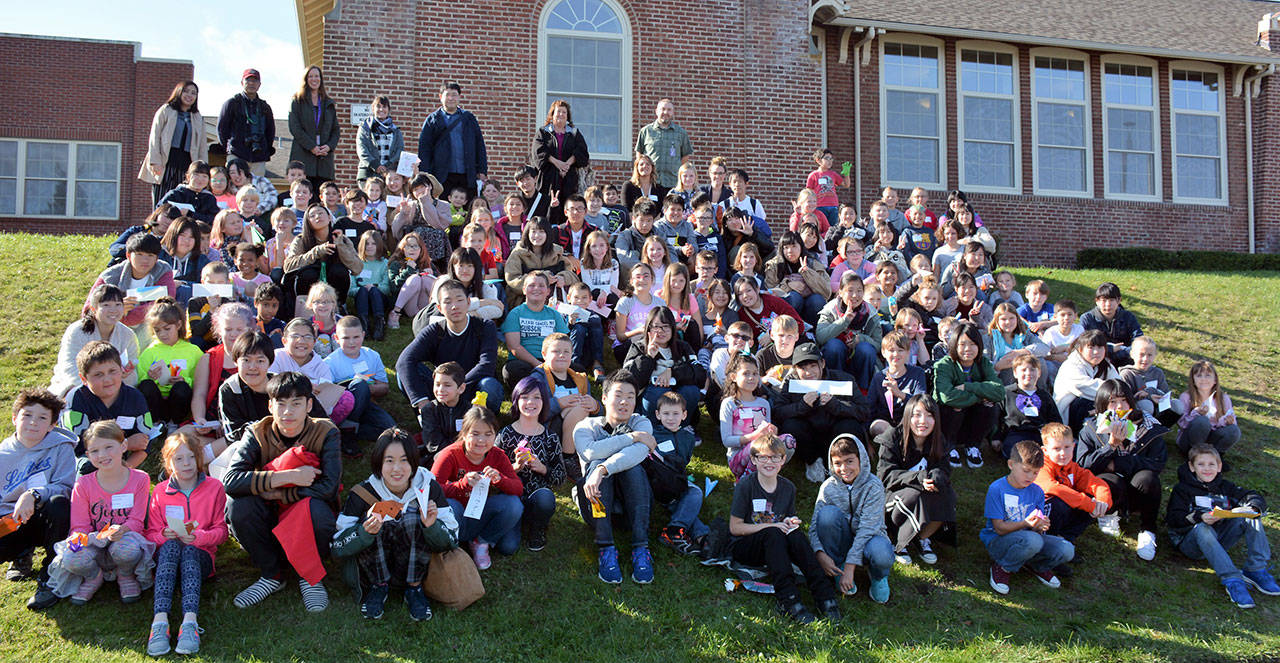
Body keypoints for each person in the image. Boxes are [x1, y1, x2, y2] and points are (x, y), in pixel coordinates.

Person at [223, 372, 342, 612]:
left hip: (305, 512)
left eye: (296, 403)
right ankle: (271, 575)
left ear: (309, 405)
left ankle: (310, 577)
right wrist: (287, 477)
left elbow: (328, 487)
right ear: (270, 405)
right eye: (281, 404)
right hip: (267, 518)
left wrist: (281, 495)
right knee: (238, 507)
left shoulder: (326, 432)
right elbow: (231, 481)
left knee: (317, 509)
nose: (288, 412)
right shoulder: (257, 432)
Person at [332, 428, 458, 621]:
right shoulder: (362, 493)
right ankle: (378, 587)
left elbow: (452, 540)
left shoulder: (428, 487)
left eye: (405, 460)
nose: (397, 469)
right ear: (378, 463)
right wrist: (363, 532)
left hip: (416, 565)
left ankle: (414, 588)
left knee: (412, 518)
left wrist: (431, 526)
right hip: (373, 567)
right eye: (389, 460)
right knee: (373, 520)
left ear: (414, 462)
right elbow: (337, 547)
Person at [729, 434, 838, 623]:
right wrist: (771, 526)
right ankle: (788, 598)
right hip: (747, 546)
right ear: (754, 460)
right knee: (773, 533)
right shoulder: (746, 486)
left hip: (776, 546)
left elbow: (785, 518)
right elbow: (734, 527)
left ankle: (824, 593)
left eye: (774, 457)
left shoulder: (788, 488)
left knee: (795, 535)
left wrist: (790, 522)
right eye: (763, 457)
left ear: (783, 460)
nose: (769, 462)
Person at [46, 421, 155, 606]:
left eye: (108, 447)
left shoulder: (140, 479)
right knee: (71, 556)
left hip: (125, 539)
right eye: (95, 451)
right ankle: (93, 576)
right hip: (93, 541)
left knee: (126, 549)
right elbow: (79, 526)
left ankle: (125, 574)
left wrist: (123, 529)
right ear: (87, 455)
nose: (102, 455)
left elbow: (137, 520)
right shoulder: (83, 484)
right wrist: (85, 539)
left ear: (123, 446)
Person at [1166, 443, 1279, 609]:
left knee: (1251, 515)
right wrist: (1200, 517)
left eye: (1211, 464)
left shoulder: (1225, 486)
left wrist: (1253, 507)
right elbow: (1174, 519)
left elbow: (1252, 495)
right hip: (1191, 543)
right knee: (1203, 528)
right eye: (1201, 464)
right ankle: (1232, 579)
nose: (1207, 469)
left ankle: (1256, 569)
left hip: (1219, 539)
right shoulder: (1182, 489)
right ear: (1191, 467)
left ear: (1219, 466)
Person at [143, 433, 227, 656]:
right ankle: (159, 622)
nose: (186, 464)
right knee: (171, 547)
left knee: (189, 549)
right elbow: (150, 535)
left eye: (191, 457)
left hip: (200, 559)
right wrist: (164, 534)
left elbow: (221, 531)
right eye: (179, 459)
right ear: (168, 461)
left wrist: (200, 537)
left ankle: (190, 622)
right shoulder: (160, 491)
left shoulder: (215, 487)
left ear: (199, 458)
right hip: (167, 564)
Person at [574, 370, 656, 585]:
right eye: (618, 395)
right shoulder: (585, 426)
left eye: (630, 396)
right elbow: (589, 452)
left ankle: (641, 548)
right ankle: (606, 548)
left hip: (634, 504)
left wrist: (603, 469)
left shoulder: (642, 423)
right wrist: (631, 437)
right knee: (595, 463)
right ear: (604, 398)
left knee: (632, 466)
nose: (624, 402)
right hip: (596, 504)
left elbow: (637, 453)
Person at [1075, 379, 1169, 561]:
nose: (1119, 406)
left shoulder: (1148, 426)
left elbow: (1157, 462)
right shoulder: (1091, 429)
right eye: (1112, 402)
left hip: (1137, 486)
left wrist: (1119, 463)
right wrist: (1110, 446)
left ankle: (1148, 530)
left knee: (1148, 479)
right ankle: (1109, 515)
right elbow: (1083, 464)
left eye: (1124, 400)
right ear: (1103, 404)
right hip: (1109, 488)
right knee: (1109, 479)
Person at [0, 388, 76, 611]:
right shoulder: (2, 453)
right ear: (15, 418)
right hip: (10, 521)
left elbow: (65, 487)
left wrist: (32, 495)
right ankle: (21, 555)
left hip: (45, 517)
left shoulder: (61, 448)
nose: (33, 422)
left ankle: (50, 575)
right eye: (27, 415)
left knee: (59, 503)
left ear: (52, 425)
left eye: (42, 418)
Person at [431, 406, 523, 570]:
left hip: (481, 514)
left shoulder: (497, 455)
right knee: (450, 505)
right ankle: (453, 544)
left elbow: (518, 489)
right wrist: (461, 485)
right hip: (456, 515)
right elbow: (431, 490)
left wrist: (500, 480)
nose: (482, 440)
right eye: (475, 434)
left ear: (495, 435)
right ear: (464, 434)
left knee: (514, 507)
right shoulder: (450, 454)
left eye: (488, 434)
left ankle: (480, 541)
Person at [396, 278, 503, 412]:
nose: (454, 306)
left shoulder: (485, 327)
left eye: (459, 300)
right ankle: (431, 414)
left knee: (490, 385)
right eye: (448, 302)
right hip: (444, 391)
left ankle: (484, 425)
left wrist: (456, 388)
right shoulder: (435, 330)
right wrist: (422, 401)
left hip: (473, 388)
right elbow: (403, 361)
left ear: (468, 302)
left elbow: (487, 364)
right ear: (439, 308)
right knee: (404, 372)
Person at [982, 440, 1073, 596]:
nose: (1030, 476)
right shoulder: (997, 488)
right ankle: (1004, 566)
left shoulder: (1037, 491)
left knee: (1067, 549)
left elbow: (1035, 530)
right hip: (999, 542)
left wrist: (1040, 525)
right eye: (1026, 470)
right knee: (1033, 541)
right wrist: (1025, 523)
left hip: (1028, 539)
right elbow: (999, 528)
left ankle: (1036, 565)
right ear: (1011, 464)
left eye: (1036, 472)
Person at [811, 434, 893, 604]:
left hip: (870, 540)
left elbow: (867, 529)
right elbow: (813, 526)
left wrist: (851, 568)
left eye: (849, 461)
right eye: (838, 463)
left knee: (882, 553)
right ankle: (837, 565)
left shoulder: (873, 486)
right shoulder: (828, 488)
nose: (844, 468)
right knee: (826, 515)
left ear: (860, 460)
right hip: (842, 541)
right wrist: (820, 553)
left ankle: (878, 576)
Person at [875, 394, 955, 566]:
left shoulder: (938, 439)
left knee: (947, 493)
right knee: (914, 495)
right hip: (892, 497)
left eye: (929, 415)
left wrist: (934, 478)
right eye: (917, 414)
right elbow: (885, 475)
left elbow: (944, 469)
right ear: (908, 415)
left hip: (923, 494)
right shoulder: (892, 437)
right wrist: (918, 478)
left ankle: (922, 537)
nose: (923, 421)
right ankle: (899, 542)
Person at [775, 343, 870, 483]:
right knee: (791, 425)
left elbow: (864, 411)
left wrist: (835, 405)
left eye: (813, 366)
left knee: (850, 425)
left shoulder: (844, 379)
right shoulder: (790, 383)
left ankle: (842, 463)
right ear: (795, 369)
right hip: (808, 439)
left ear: (823, 363)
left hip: (836, 433)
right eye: (802, 368)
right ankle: (813, 462)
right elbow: (777, 412)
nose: (808, 373)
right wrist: (802, 406)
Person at [61, 342, 159, 471]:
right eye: (98, 374)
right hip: (85, 462)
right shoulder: (76, 399)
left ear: (121, 370)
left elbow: (143, 443)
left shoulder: (135, 398)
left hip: (121, 463)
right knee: (87, 467)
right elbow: (79, 448)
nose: (107, 379)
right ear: (83, 378)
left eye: (112, 371)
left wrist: (124, 469)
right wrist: (126, 443)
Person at [496, 377, 567, 552]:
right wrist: (514, 468)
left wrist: (542, 468)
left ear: (544, 402)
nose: (531, 402)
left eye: (537, 397)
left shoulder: (550, 437)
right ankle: (514, 520)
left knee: (545, 498)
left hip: (536, 498)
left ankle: (537, 528)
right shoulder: (505, 435)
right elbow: (491, 473)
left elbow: (561, 477)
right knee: (507, 548)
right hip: (511, 499)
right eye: (525, 397)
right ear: (516, 400)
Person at [1035, 423, 1112, 562]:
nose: (1063, 453)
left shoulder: (1073, 467)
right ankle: (1047, 548)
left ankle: (1065, 541)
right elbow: (1052, 488)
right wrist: (1088, 503)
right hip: (1039, 517)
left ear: (1073, 446)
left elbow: (1096, 483)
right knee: (1059, 501)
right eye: (1056, 449)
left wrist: (1102, 501)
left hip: (1061, 515)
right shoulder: (1041, 466)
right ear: (1045, 450)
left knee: (1092, 499)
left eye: (1067, 447)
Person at [932, 321, 1003, 469]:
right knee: (955, 406)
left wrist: (968, 386)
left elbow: (999, 391)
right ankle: (948, 446)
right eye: (962, 344)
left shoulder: (983, 363)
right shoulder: (944, 365)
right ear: (954, 345)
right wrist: (980, 396)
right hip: (948, 419)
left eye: (972, 344)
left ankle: (973, 445)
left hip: (973, 418)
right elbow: (947, 396)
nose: (968, 349)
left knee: (990, 405)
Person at [51, 285, 140, 399]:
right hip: (80, 385)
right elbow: (69, 367)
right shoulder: (77, 331)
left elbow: (133, 364)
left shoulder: (127, 335)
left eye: (118, 305)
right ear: (93, 309)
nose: (113, 310)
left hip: (113, 387)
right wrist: (93, 388)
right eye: (106, 305)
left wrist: (125, 372)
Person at [649, 391, 710, 556]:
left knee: (683, 503)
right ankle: (700, 534)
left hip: (677, 482)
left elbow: (685, 460)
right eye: (666, 413)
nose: (671, 418)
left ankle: (690, 534)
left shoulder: (688, 438)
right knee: (695, 492)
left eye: (676, 414)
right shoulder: (653, 435)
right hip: (658, 482)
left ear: (684, 415)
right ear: (658, 414)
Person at [622, 307, 705, 424]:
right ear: (648, 328)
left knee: (691, 391)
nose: (661, 331)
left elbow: (700, 375)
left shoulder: (683, 347)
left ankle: (684, 428)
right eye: (656, 327)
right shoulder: (638, 347)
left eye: (666, 327)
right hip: (649, 400)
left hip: (678, 397)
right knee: (658, 390)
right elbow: (628, 380)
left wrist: (673, 372)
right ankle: (651, 428)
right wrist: (648, 357)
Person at [324, 316, 397, 447]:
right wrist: (360, 386)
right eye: (346, 338)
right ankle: (348, 432)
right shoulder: (330, 363)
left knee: (390, 429)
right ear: (336, 338)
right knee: (359, 384)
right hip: (343, 408)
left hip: (366, 403)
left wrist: (365, 389)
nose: (351, 342)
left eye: (356, 337)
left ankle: (348, 430)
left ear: (363, 335)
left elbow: (384, 387)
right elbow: (327, 398)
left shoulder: (372, 356)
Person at [282, 205, 362, 320]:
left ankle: (338, 309)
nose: (317, 217)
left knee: (339, 271)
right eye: (312, 215)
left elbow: (357, 268)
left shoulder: (342, 239)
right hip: (306, 295)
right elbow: (288, 267)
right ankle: (305, 316)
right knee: (309, 272)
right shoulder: (300, 240)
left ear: (329, 217)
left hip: (335, 290)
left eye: (320, 213)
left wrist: (340, 245)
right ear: (308, 222)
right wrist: (315, 252)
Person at [136, 299, 204, 428]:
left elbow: (200, 380)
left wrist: (185, 380)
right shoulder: (149, 351)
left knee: (181, 388)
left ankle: (174, 423)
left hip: (180, 401)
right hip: (157, 401)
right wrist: (150, 377)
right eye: (157, 330)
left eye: (167, 329)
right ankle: (156, 423)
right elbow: (140, 381)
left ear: (178, 325)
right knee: (146, 385)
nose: (162, 334)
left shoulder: (193, 351)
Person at [417, 82, 489, 204]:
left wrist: (482, 171)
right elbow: (424, 149)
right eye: (447, 95)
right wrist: (426, 175)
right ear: (441, 97)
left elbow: (479, 145)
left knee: (468, 209)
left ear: (459, 97)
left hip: (467, 174)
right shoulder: (433, 120)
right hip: (442, 175)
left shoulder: (469, 118)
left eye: (454, 95)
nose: (451, 98)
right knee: (443, 209)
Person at [140, 81, 208, 205]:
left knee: (183, 200)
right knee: (162, 201)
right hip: (166, 162)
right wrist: (155, 161)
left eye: (193, 93)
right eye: (186, 91)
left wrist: (203, 168)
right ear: (179, 92)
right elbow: (154, 137)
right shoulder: (166, 110)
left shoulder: (197, 117)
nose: (190, 95)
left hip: (187, 164)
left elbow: (202, 145)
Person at [500, 271, 569, 387]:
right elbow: (514, 347)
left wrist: (550, 364)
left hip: (551, 360)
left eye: (541, 286)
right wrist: (537, 365)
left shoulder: (555, 315)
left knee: (578, 368)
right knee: (512, 370)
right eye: (531, 285)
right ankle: (543, 386)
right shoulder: (515, 314)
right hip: (525, 362)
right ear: (524, 290)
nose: (536, 288)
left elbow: (564, 342)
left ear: (548, 291)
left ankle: (544, 385)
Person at [816, 272, 881, 391]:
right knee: (834, 346)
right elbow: (820, 337)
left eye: (859, 291)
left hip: (859, 360)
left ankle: (862, 391)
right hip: (836, 358)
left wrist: (860, 339)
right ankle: (835, 389)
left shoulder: (871, 313)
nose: (855, 295)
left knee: (866, 349)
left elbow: (878, 345)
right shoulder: (830, 310)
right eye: (850, 290)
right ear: (840, 292)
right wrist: (844, 321)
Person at [533, 100, 590, 225]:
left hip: (568, 179)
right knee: (546, 212)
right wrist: (558, 163)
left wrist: (567, 164)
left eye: (564, 112)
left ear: (567, 116)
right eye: (558, 111)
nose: (561, 114)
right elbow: (539, 152)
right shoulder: (543, 132)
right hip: (548, 179)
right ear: (552, 114)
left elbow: (582, 152)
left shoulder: (574, 133)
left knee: (567, 211)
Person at [1053, 330, 1120, 433]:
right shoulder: (1070, 365)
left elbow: (1119, 385)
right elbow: (1084, 387)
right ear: (1080, 350)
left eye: (1100, 347)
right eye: (1091, 347)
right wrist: (1112, 394)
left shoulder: (1106, 366)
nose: (1096, 352)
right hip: (1071, 412)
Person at [998, 354, 1062, 458]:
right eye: (1023, 370)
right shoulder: (1006, 393)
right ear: (1015, 373)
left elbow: (1055, 419)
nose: (1028, 373)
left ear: (1039, 373)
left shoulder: (1044, 395)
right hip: (1016, 433)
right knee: (1023, 455)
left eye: (1032, 370)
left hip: (1040, 433)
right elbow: (997, 418)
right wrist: (996, 438)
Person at [288, 65, 340, 189]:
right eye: (310, 76)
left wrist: (329, 146)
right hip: (303, 156)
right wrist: (311, 146)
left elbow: (336, 130)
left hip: (323, 160)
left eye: (317, 76)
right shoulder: (297, 101)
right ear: (305, 79)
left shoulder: (328, 103)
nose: (314, 79)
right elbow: (295, 127)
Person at [1177, 360, 1241, 456]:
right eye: (1199, 376)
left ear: (1215, 380)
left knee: (1234, 430)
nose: (1203, 379)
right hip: (1190, 439)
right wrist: (1196, 413)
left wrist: (1228, 421)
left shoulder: (1223, 398)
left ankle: (1216, 456)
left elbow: (1232, 422)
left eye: (1207, 375)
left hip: (1212, 438)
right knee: (1202, 421)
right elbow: (1181, 423)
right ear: (1193, 380)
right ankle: (1195, 455)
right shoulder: (1186, 397)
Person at [218, 69, 276, 174]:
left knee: (256, 188)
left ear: (259, 84)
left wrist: (264, 148)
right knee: (234, 186)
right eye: (248, 80)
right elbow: (222, 129)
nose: (252, 83)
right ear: (242, 82)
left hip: (258, 157)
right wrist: (229, 148)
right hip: (237, 153)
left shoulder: (265, 107)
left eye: (255, 81)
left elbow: (270, 132)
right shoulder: (232, 103)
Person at [1119, 336, 1184, 426]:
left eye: (1149, 355)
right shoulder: (1127, 374)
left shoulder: (1157, 372)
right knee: (1147, 405)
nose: (1145, 359)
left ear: (1154, 356)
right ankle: (1144, 432)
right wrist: (1148, 397)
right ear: (1132, 354)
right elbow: (1126, 400)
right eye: (1141, 354)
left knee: (1178, 405)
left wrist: (1158, 397)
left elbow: (1165, 393)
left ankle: (1161, 429)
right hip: (1138, 409)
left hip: (1158, 407)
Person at [634, 98, 693, 189]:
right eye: (663, 109)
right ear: (656, 111)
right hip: (651, 183)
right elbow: (639, 157)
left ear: (673, 113)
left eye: (669, 110)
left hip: (673, 183)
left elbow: (685, 157)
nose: (665, 112)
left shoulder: (681, 133)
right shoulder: (646, 131)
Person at [1079, 282, 1143, 366]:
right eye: (1104, 300)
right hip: (1097, 359)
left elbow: (1139, 340)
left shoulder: (1128, 317)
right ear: (1097, 301)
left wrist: (1123, 352)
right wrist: (1110, 349)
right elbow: (1083, 344)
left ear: (1119, 300)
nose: (1108, 304)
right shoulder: (1087, 319)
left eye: (1111, 300)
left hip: (1126, 358)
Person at [355, 95, 404, 182]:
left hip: (388, 175)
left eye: (384, 107)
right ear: (373, 108)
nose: (381, 109)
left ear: (388, 109)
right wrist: (375, 165)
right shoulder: (365, 127)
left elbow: (399, 150)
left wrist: (388, 165)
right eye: (378, 106)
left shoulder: (396, 130)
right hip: (368, 173)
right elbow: (362, 148)